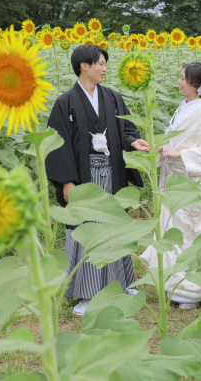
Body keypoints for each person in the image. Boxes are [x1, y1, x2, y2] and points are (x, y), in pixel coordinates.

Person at [45, 45, 150, 315]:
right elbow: (58, 144)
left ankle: (122, 284)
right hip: (83, 177)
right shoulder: (65, 102)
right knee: (89, 229)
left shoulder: (112, 98)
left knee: (115, 225)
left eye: (105, 63)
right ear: (84, 66)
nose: (104, 68)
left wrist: (132, 141)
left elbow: (125, 129)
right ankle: (87, 295)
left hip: (111, 173)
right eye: (100, 63)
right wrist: (66, 181)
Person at [141, 62, 201, 309]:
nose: (178, 82)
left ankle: (193, 289)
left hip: (194, 181)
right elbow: (175, 141)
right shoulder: (184, 107)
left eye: (182, 78)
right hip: (174, 180)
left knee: (194, 233)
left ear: (196, 84)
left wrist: (181, 154)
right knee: (174, 230)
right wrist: (162, 149)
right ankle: (174, 285)